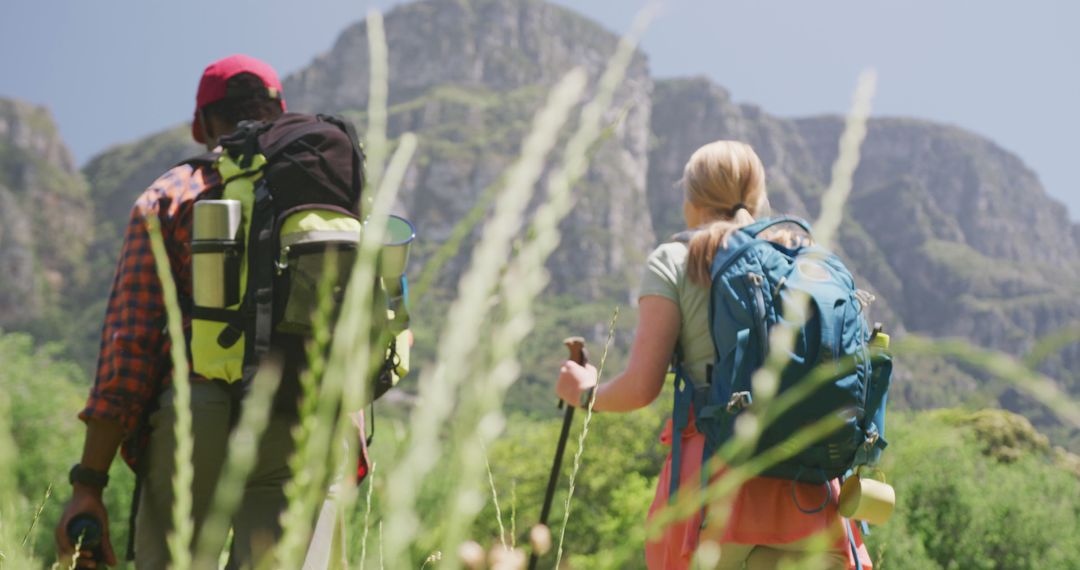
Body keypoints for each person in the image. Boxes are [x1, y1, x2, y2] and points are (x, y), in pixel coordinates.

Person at [555, 140, 873, 569]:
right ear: (759, 196)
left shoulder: (677, 260)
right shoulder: (799, 261)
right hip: (813, 499)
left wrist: (586, 392)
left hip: (713, 493)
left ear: (691, 199)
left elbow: (640, 387)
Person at [54, 54, 295, 569]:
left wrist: (89, 482)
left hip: (196, 411)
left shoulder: (172, 192)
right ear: (281, 111)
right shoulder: (320, 191)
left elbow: (130, 342)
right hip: (296, 412)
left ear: (205, 124)